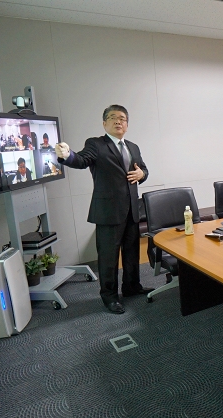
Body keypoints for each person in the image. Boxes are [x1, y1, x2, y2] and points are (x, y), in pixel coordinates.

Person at [55, 105, 151, 314]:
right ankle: (109, 296)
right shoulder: (96, 144)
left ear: (127, 124)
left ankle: (132, 287)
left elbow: (143, 169)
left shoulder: (133, 147)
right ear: (104, 123)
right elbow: (81, 160)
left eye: (122, 118)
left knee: (132, 252)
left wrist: (142, 175)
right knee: (108, 257)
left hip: (132, 210)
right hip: (108, 212)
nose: (118, 121)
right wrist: (66, 155)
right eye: (113, 118)